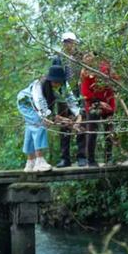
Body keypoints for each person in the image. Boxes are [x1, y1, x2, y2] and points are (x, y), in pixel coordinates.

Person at [16, 64, 81, 172]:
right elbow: (39, 102)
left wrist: (78, 115)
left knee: (31, 128)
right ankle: (39, 161)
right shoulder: (39, 85)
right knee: (39, 124)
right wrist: (47, 117)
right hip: (26, 103)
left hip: (38, 108)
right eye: (55, 82)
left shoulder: (64, 85)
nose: (57, 84)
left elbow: (70, 99)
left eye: (59, 81)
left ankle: (30, 162)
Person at [77, 53, 117, 166]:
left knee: (109, 130)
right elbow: (85, 93)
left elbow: (115, 80)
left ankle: (109, 158)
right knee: (92, 131)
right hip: (93, 105)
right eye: (86, 57)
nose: (88, 59)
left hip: (108, 102)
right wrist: (99, 103)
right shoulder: (84, 72)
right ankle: (91, 160)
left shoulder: (105, 67)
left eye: (89, 56)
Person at [54, 32, 86, 168]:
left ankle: (82, 157)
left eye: (70, 41)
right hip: (63, 95)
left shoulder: (81, 57)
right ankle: (65, 158)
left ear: (75, 42)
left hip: (79, 93)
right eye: (65, 41)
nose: (67, 44)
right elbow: (55, 76)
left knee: (81, 122)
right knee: (64, 125)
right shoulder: (58, 58)